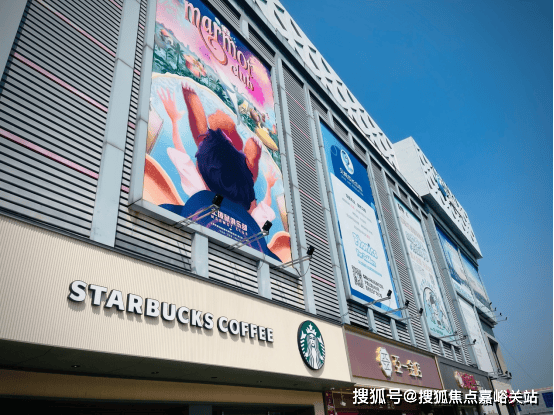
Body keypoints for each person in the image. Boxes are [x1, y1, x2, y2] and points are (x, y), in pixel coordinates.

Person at [157, 84, 276, 227]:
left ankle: (192, 97)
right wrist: (269, 185)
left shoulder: (200, 192)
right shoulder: (246, 213)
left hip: (230, 190)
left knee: (205, 139)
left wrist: (175, 120)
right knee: (209, 140)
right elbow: (263, 209)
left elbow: (182, 156)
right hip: (240, 194)